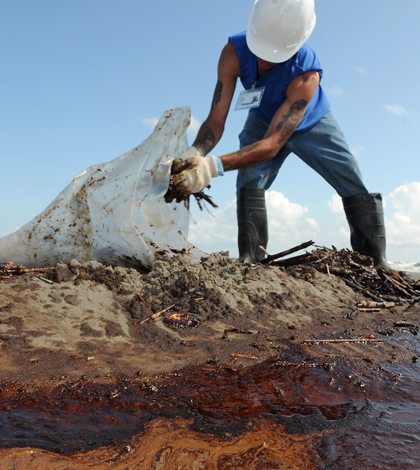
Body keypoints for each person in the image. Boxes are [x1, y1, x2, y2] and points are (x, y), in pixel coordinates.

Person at [171, 0, 390, 270]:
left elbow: (273, 144)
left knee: (349, 178)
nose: (265, 59)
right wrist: (195, 153)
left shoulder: (307, 73)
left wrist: (212, 167)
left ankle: (374, 262)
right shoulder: (233, 54)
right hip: (262, 116)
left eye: (276, 54)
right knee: (250, 180)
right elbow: (216, 119)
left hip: (312, 121)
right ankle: (251, 260)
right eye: (261, 49)